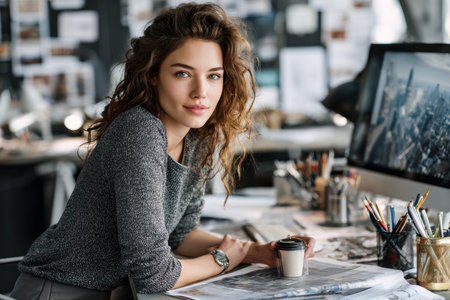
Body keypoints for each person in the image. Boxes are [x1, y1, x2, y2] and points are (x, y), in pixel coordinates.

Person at [11, 3, 315, 299]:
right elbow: (152, 274)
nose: (200, 92)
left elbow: (180, 235)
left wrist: (252, 251)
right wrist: (223, 259)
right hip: (60, 291)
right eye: (183, 73)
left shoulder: (196, 137)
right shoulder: (140, 131)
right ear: (153, 74)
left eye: (213, 75)